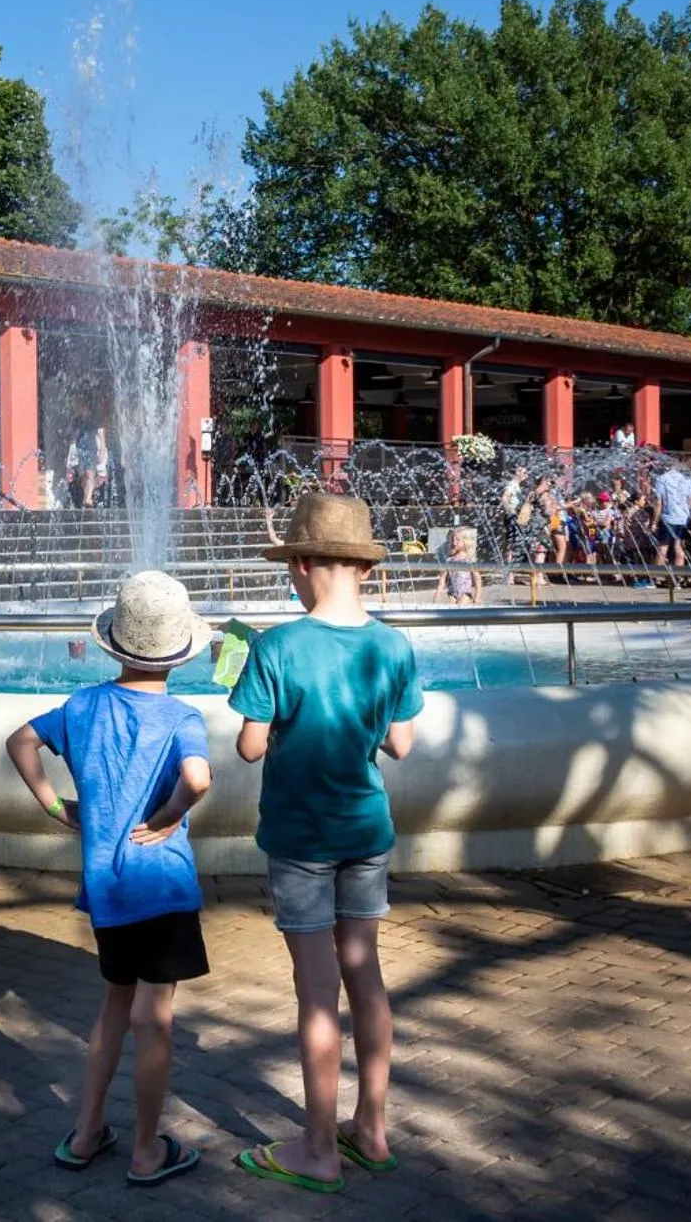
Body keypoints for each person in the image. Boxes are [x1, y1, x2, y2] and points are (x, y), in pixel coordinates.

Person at [229, 494, 422, 1195]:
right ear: (363, 570)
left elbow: (250, 747)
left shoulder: (276, 647)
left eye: (291, 566)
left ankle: (316, 1146)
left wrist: (251, 686)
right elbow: (400, 742)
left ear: (304, 565)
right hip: (366, 831)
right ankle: (370, 1128)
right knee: (365, 976)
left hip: (301, 838)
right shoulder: (393, 646)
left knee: (316, 994)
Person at [5, 570, 215, 1188]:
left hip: (107, 886)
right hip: (162, 884)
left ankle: (86, 1131)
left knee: (114, 1009)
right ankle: (148, 1150)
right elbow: (199, 779)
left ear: (117, 644)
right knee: (156, 1017)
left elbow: (20, 741)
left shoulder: (83, 706)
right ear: (177, 653)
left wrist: (53, 807)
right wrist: (169, 816)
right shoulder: (181, 716)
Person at [652, 465, 691, 573]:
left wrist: (654, 522)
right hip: (683, 518)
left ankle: (657, 576)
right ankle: (678, 577)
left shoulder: (662, 479)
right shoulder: (686, 479)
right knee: (679, 547)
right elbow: (690, 500)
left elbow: (659, 503)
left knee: (663, 547)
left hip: (668, 517)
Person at [434, 527, 481, 605]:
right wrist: (437, 594)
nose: (454, 542)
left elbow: (477, 578)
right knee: (452, 614)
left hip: (465, 593)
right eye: (453, 539)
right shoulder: (449, 560)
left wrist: (477, 596)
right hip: (452, 593)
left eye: (457, 540)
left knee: (460, 610)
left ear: (465, 541)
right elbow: (442, 580)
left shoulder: (469, 560)